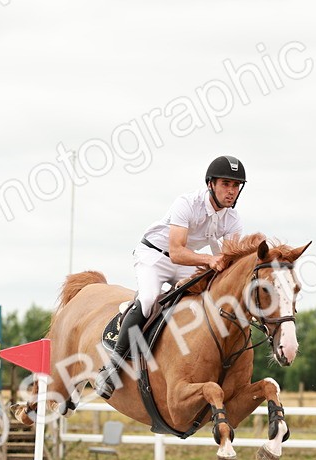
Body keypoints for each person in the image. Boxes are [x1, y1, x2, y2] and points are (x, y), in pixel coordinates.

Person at [94, 155, 247, 398]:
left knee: (207, 299)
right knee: (148, 300)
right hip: (155, 256)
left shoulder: (233, 219)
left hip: (188, 260)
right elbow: (176, 252)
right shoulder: (187, 203)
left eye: (236, 186)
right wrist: (209, 260)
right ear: (211, 184)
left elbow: (228, 257)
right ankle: (111, 368)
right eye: (226, 184)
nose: (231, 191)